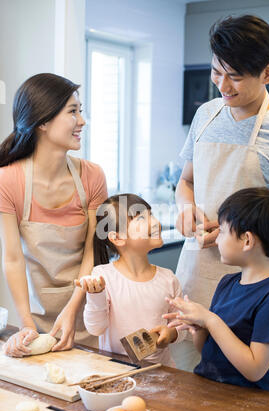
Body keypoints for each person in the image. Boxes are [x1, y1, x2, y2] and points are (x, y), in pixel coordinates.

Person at [172, 14, 269, 371]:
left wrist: (251, 233)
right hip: (196, 268)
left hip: (253, 283)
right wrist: (186, 208)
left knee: (240, 381)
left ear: (267, 73)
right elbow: (186, 182)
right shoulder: (207, 115)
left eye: (236, 76)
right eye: (216, 71)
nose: (222, 85)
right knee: (182, 370)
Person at [0, 73, 107, 357]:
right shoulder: (8, 181)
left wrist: (72, 310)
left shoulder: (93, 176)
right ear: (43, 121)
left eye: (80, 111)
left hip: (90, 313)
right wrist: (25, 325)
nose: (82, 121)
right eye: (73, 112)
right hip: (36, 318)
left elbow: (92, 251)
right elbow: (12, 258)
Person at [165, 187, 269, 392]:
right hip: (209, 391)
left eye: (223, 232)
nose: (216, 239)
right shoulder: (227, 283)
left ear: (247, 240)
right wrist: (199, 328)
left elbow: (255, 370)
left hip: (247, 403)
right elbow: (207, 353)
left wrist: (210, 319)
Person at [75, 193, 186, 366]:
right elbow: (96, 328)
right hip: (117, 373)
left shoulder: (168, 278)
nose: (155, 222)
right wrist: (96, 295)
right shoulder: (103, 276)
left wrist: (171, 333)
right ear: (118, 238)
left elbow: (181, 324)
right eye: (142, 219)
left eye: (152, 215)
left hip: (162, 374)